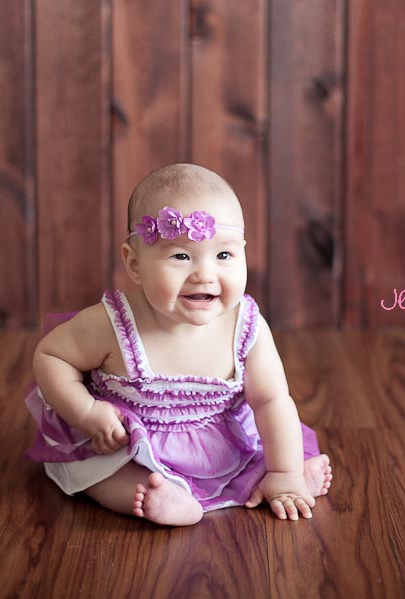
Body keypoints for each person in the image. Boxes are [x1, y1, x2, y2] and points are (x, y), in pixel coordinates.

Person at [24, 163, 332, 526]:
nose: (205, 274)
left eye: (224, 255)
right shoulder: (113, 324)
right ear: (134, 264)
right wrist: (87, 413)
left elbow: (271, 400)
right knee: (102, 477)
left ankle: (280, 479)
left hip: (222, 440)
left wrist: (285, 470)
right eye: (181, 256)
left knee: (273, 447)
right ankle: (166, 498)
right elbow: (51, 356)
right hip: (132, 444)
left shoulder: (246, 326)